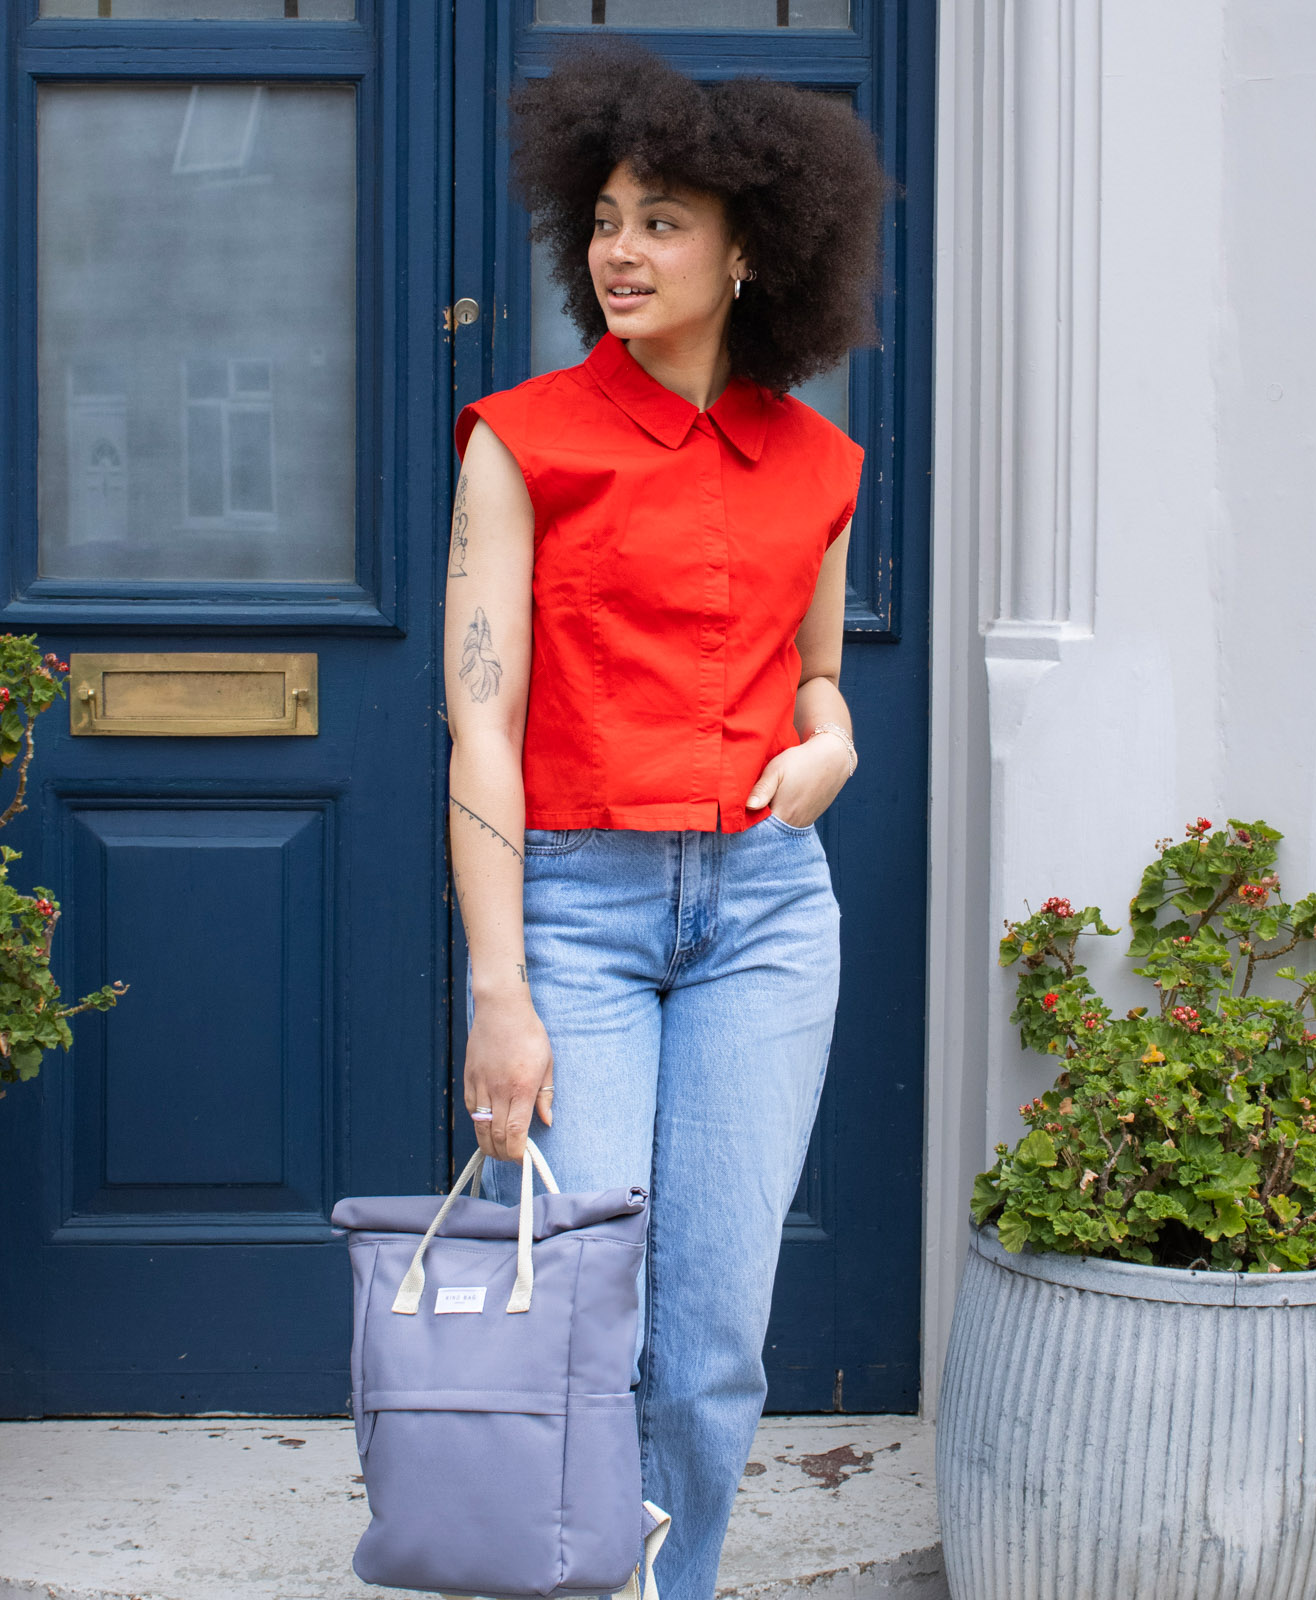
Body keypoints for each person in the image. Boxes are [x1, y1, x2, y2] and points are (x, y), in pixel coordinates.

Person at [443, 41, 887, 1600]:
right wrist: (501, 991)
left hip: (767, 909)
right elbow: (480, 721)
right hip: (577, 900)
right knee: (579, 1310)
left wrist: (831, 742)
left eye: (665, 222)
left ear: (754, 247)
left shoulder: (818, 461)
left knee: (710, 1343)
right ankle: (568, 1580)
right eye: (608, 219)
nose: (620, 251)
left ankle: (673, 1585)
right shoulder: (524, 438)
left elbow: (817, 678)